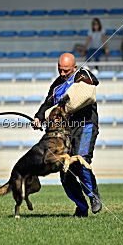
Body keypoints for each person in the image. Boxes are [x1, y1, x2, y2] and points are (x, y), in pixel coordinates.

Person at [33, 53, 102, 217]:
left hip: (86, 126)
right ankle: (81, 207)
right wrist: (39, 117)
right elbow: (48, 104)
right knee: (65, 171)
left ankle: (93, 196)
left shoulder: (83, 76)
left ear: (75, 68)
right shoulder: (56, 85)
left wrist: (82, 74)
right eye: (60, 70)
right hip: (66, 131)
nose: (62, 74)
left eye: (66, 71)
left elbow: (94, 82)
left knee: (81, 161)